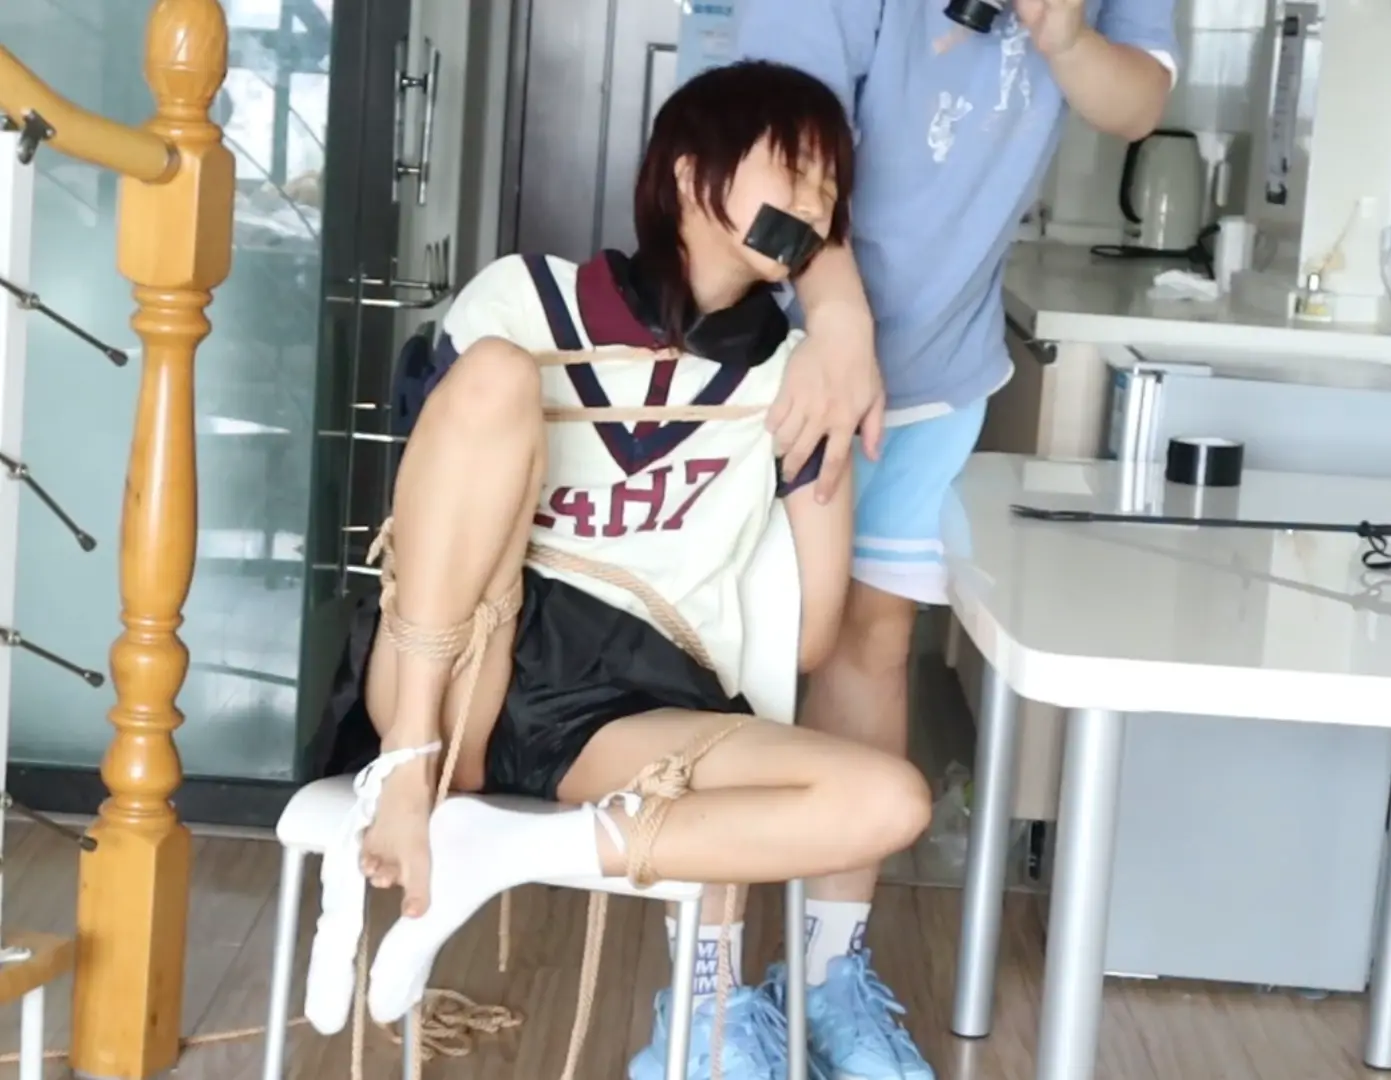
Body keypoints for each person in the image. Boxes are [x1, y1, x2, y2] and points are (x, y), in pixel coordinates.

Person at [307, 60, 932, 1079]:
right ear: (689, 175)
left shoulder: (793, 378)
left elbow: (811, 635)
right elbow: (426, 518)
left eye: (831, 187)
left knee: (890, 801)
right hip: (466, 659)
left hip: (628, 716)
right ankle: (406, 774)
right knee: (494, 376)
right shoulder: (524, 298)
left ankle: (498, 852)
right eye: (794, 171)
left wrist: (822, 450)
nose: (817, 206)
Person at [726, 0, 1179, 1077]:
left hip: (937, 364)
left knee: (872, 643)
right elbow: (772, 163)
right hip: (769, 347)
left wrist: (1066, 38)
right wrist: (839, 325)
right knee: (733, 655)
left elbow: (1139, 101)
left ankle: (827, 975)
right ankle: (706, 1001)